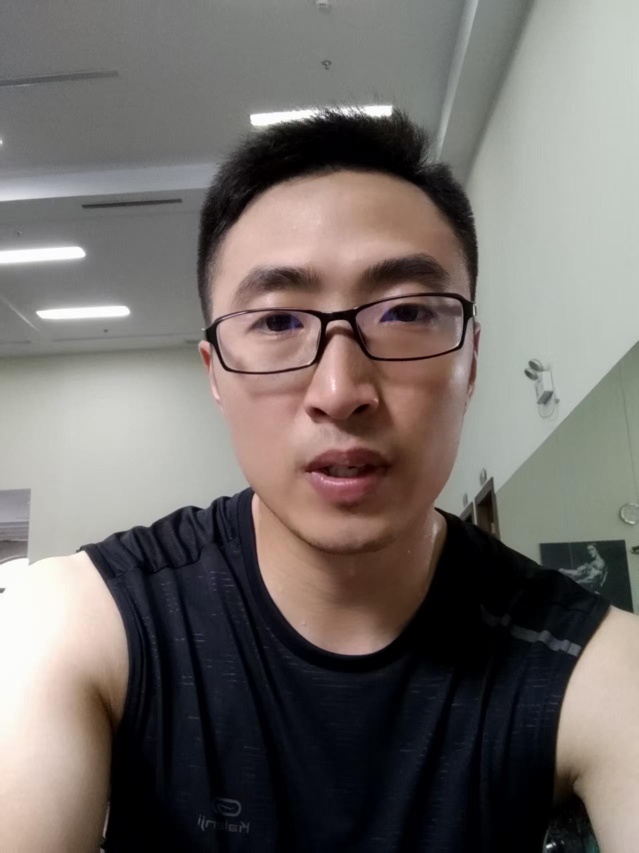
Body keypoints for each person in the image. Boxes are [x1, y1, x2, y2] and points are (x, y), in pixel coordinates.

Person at [1, 108, 638, 853]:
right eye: (277, 323)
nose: (340, 391)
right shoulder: (83, 624)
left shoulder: (594, 665)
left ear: (470, 359)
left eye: (405, 311)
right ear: (215, 375)